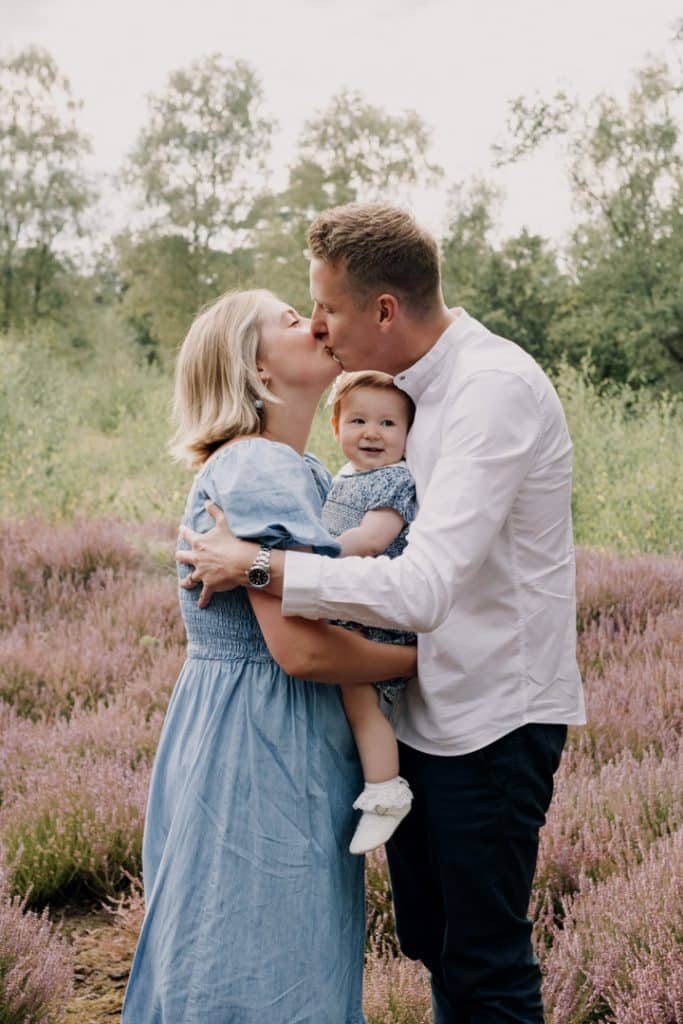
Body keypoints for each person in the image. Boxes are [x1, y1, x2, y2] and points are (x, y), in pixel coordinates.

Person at [177, 203, 587, 1024]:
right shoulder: (405, 399)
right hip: (423, 720)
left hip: (491, 720)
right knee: (436, 945)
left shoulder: (488, 390)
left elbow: (425, 588)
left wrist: (263, 565)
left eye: (325, 307)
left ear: (384, 311)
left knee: (484, 963)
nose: (321, 327)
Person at [121, 288, 417, 1024]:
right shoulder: (258, 466)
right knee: (261, 964)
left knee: (240, 949)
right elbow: (301, 650)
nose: (314, 322)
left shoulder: (302, 470)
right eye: (289, 320)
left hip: (248, 733)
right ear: (254, 368)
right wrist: (421, 662)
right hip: (261, 748)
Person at [323, 370, 418, 855]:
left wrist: (306, 555)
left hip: (378, 616)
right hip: (350, 606)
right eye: (358, 420)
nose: (373, 433)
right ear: (336, 426)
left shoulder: (396, 480)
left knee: (360, 700)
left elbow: (371, 540)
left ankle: (386, 792)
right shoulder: (343, 476)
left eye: (388, 423)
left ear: (408, 435)